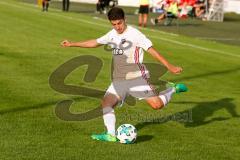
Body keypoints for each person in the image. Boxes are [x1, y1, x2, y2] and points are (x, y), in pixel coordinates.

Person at [61, 7, 187, 142]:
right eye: (114, 24)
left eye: (119, 23)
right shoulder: (112, 34)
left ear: (124, 19)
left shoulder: (136, 34)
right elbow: (95, 42)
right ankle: (110, 134)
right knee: (106, 104)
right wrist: (72, 44)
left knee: (157, 105)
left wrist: (170, 67)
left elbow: (152, 51)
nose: (117, 27)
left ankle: (173, 89)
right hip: (119, 80)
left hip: (137, 78)